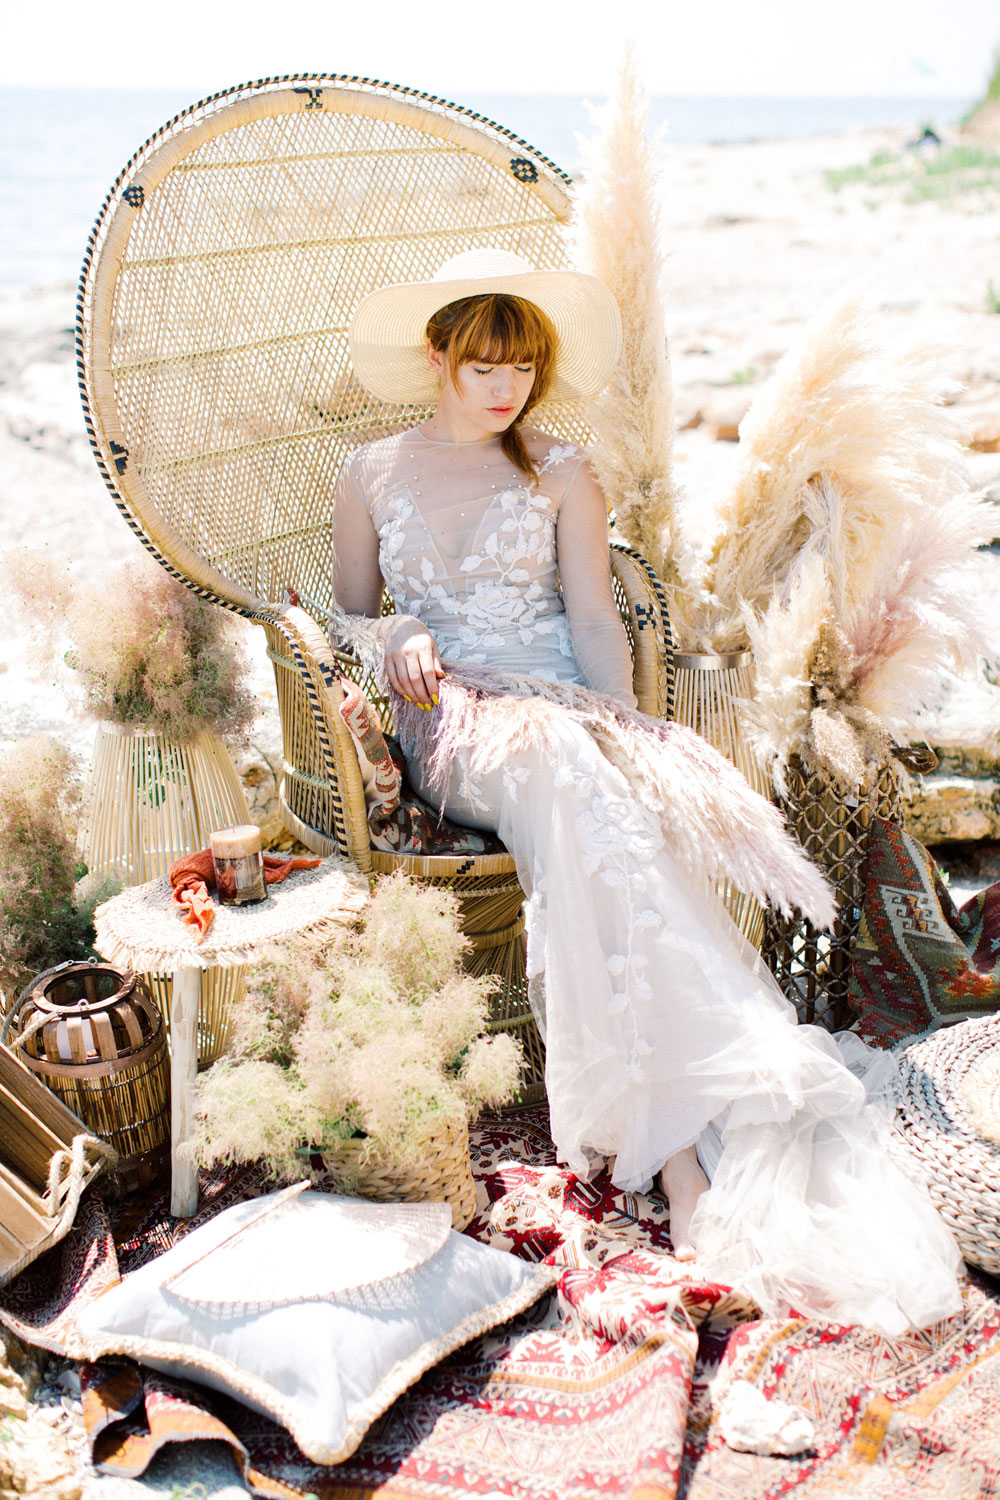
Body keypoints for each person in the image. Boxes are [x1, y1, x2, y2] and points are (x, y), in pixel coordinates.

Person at [332, 249, 964, 1336]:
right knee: (560, 769)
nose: (505, 387)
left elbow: (592, 618)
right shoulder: (371, 472)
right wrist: (396, 631)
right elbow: (346, 614)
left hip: (566, 715)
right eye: (483, 365)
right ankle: (677, 1146)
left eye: (522, 368)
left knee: (589, 784)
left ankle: (679, 1146)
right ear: (436, 356)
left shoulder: (562, 471)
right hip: (457, 725)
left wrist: (624, 727)